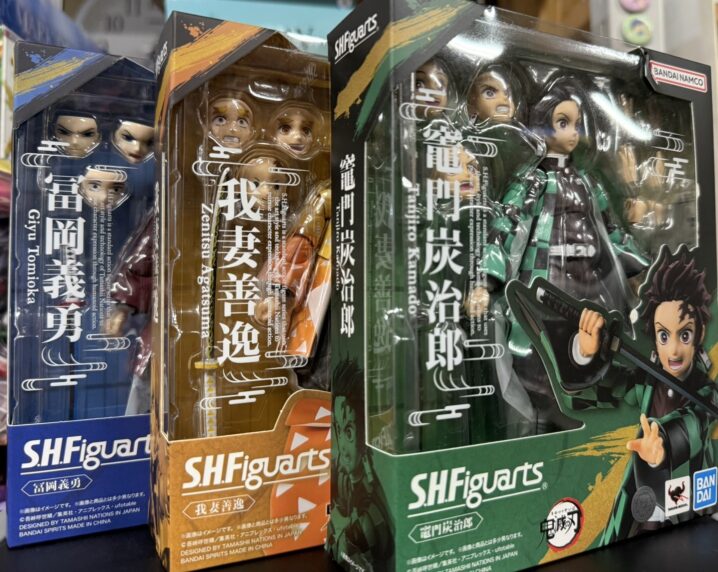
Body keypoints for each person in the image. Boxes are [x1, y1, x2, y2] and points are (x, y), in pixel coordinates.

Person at [477, 78, 649, 434]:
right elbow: (507, 225)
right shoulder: (533, 181)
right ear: (542, 125)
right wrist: (486, 281)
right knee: (539, 357)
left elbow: (611, 230)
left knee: (596, 350)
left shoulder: (588, 183)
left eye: (577, 124)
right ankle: (542, 425)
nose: (573, 133)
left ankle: (591, 421)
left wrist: (637, 273)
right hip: (545, 285)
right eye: (562, 123)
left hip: (591, 285)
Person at [574, 246, 716, 541]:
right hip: (642, 508)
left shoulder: (706, 390)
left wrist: (663, 443)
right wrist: (586, 356)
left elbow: (695, 421)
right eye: (664, 336)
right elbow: (605, 389)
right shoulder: (646, 383)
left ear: (699, 334)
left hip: (688, 508)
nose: (674, 350)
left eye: (685, 335)